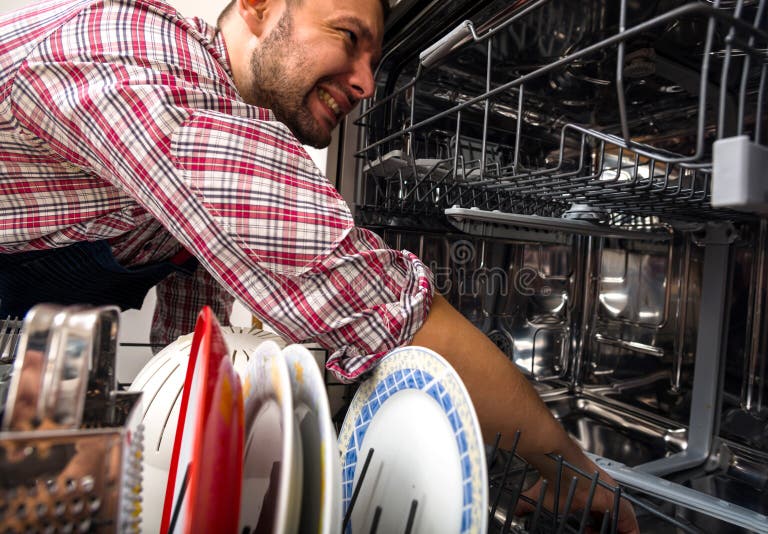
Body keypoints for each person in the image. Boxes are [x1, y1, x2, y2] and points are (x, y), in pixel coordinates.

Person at [0, 0, 638, 530]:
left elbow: (193, 332)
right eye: (348, 36)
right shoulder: (155, 77)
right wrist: (571, 470)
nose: (366, 84)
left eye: (374, 62)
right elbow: (382, 305)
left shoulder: (212, 121)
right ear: (258, 7)